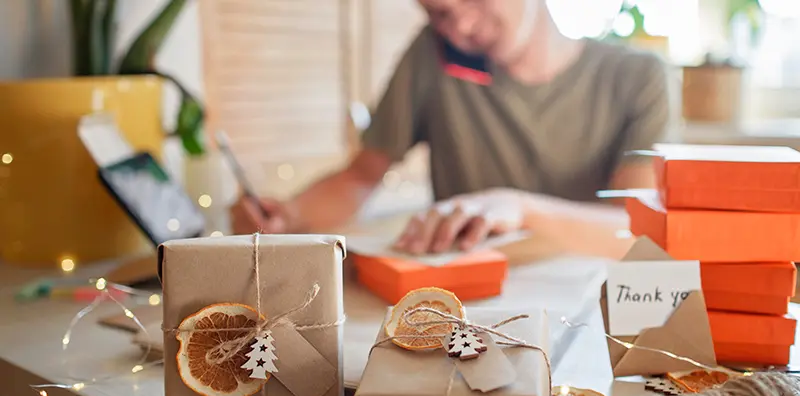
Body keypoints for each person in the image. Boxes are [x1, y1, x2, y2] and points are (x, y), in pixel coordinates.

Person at [231, 0, 675, 257]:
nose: (460, 25)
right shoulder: (434, 55)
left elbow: (634, 227)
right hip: (460, 305)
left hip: (587, 298)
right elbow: (361, 177)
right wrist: (288, 217)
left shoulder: (639, 77)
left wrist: (517, 207)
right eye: (440, 12)